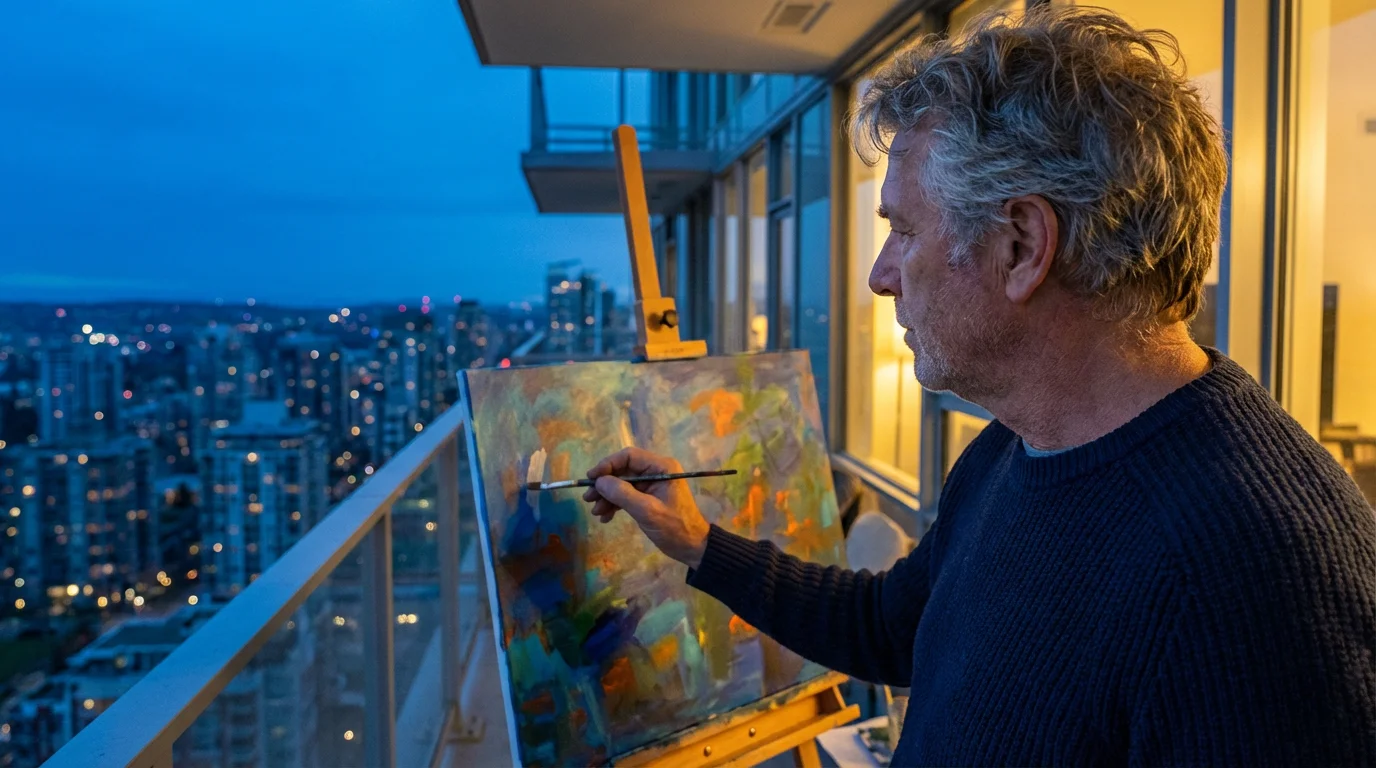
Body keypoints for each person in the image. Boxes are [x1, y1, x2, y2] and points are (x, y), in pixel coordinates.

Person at [582, 6, 1376, 766]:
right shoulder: (1016, 445)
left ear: (1022, 244)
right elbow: (891, 627)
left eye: (903, 230)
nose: (879, 275)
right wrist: (697, 542)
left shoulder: (1253, 581)